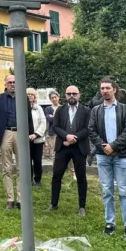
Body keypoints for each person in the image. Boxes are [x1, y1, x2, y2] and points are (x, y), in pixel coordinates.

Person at [89, 77, 126, 239]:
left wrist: (114, 146)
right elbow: (91, 131)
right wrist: (103, 146)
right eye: (102, 88)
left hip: (121, 156)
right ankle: (110, 223)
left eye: (108, 88)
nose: (105, 91)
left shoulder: (125, 109)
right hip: (103, 156)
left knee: (124, 191)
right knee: (107, 191)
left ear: (114, 89)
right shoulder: (96, 110)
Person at [0, 74, 34, 209]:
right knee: (7, 168)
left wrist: (30, 133)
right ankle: (10, 199)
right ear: (5, 84)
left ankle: (21, 200)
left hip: (21, 133)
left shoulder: (24, 98)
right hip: (6, 133)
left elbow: (28, 117)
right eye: (9, 82)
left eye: (14, 82)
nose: (12, 84)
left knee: (22, 168)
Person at [48, 85, 90, 214]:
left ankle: (82, 206)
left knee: (81, 177)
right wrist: (66, 136)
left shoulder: (86, 110)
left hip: (79, 148)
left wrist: (74, 138)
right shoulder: (60, 110)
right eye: (69, 94)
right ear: (65, 96)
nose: (71, 96)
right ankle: (53, 204)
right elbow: (56, 127)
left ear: (79, 95)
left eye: (74, 93)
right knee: (56, 176)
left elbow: (88, 128)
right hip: (63, 147)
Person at [27, 88, 47, 187]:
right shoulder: (20, 108)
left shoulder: (38, 108)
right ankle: (28, 179)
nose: (30, 96)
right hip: (25, 140)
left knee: (37, 161)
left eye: (32, 94)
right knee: (27, 161)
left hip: (37, 140)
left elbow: (43, 123)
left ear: (35, 96)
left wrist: (35, 134)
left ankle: (38, 179)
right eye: (28, 94)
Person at [43, 90, 60, 160]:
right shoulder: (48, 109)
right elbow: (49, 120)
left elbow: (64, 120)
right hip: (53, 133)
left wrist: (53, 116)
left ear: (58, 97)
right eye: (52, 98)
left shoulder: (63, 108)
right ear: (50, 99)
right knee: (54, 153)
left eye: (55, 97)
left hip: (63, 133)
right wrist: (58, 117)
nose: (54, 99)